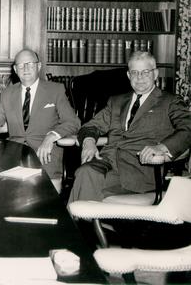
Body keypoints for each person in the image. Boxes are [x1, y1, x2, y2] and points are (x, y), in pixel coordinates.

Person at [69, 51, 191, 203]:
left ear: (155, 74)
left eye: (145, 72)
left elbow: (187, 130)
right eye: (134, 72)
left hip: (139, 171)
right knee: (84, 172)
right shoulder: (116, 101)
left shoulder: (170, 102)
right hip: (107, 162)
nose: (139, 78)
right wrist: (88, 142)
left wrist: (161, 147)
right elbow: (91, 126)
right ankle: (89, 223)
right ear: (128, 75)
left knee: (88, 186)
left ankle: (86, 223)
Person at [0, 49, 80, 187]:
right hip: (13, 159)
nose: (25, 68)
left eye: (30, 64)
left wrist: (51, 136)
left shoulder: (55, 90)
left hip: (45, 157)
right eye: (20, 65)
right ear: (15, 69)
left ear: (39, 66)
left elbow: (73, 121)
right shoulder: (8, 93)